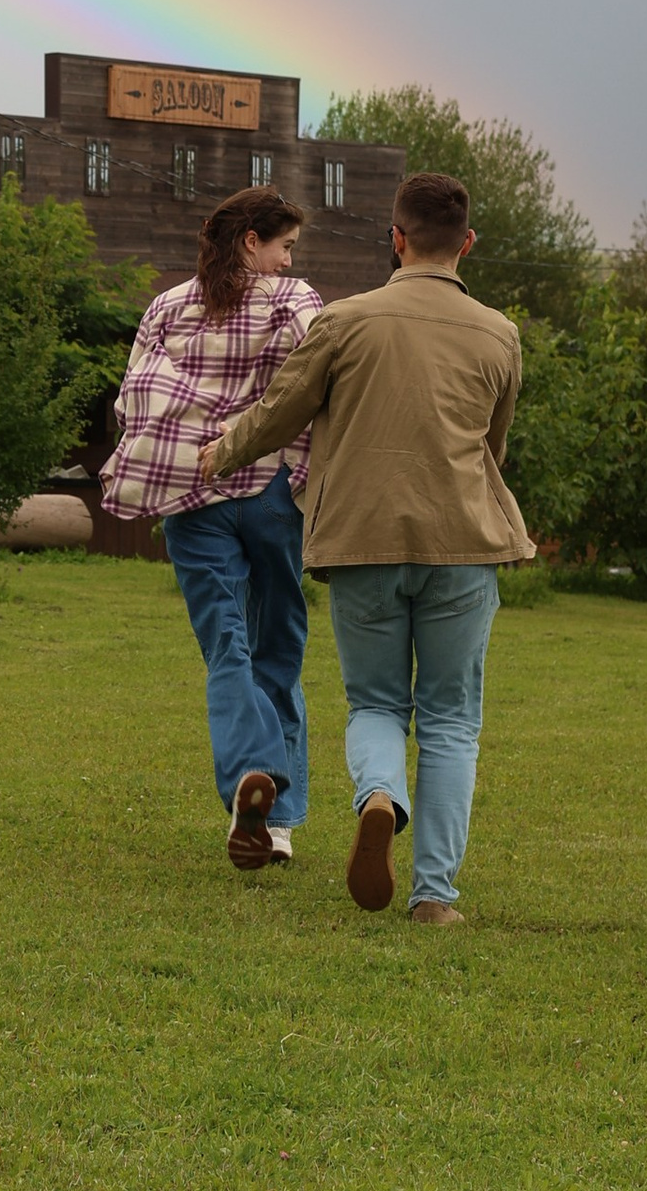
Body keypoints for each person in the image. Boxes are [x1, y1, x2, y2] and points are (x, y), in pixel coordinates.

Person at [201, 169, 533, 924]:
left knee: (376, 701)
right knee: (450, 719)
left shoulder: (346, 320)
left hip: (361, 543)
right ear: (467, 244)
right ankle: (435, 897)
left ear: (395, 239)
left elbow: (282, 412)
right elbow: (495, 446)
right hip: (463, 547)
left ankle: (380, 794)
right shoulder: (500, 334)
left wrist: (221, 451)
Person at [100, 187, 321, 869]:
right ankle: (278, 819)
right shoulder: (294, 303)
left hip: (189, 497)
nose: (287, 262)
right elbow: (317, 391)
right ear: (251, 240)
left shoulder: (166, 306)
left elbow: (132, 398)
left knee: (226, 647)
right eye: (283, 246)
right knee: (276, 646)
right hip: (271, 490)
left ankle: (250, 775)